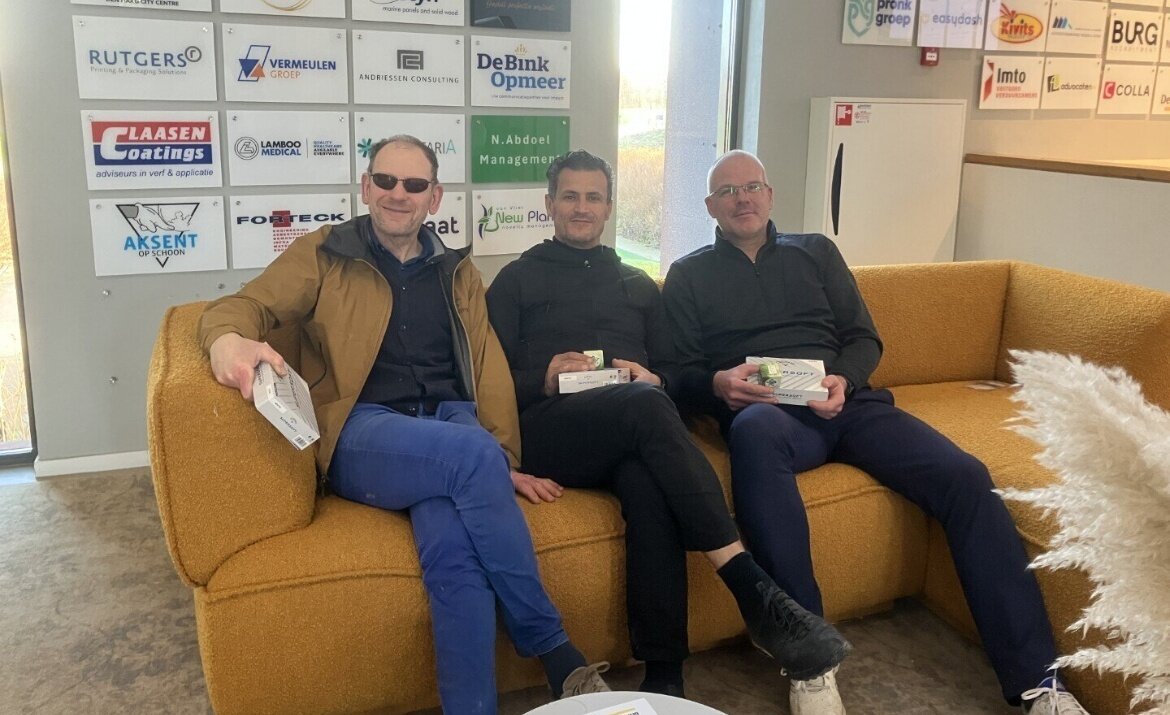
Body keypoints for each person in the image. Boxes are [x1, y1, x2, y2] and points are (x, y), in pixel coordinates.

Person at [661, 149, 1091, 715]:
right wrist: (717, 385)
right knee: (754, 432)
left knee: (966, 476)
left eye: (752, 187)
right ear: (709, 206)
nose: (742, 199)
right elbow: (676, 372)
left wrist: (844, 378)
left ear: (770, 195)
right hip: (771, 415)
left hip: (849, 404)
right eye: (727, 191)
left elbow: (864, 337)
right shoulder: (688, 274)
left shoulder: (816, 252)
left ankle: (1040, 681)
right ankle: (810, 657)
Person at [199, 135, 609, 714]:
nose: (399, 194)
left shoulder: (456, 271)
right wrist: (225, 339)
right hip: (365, 430)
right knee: (472, 458)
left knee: (455, 557)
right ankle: (554, 649)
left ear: (433, 197)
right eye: (386, 181)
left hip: (449, 426)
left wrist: (502, 463)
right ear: (366, 187)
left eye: (414, 185)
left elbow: (487, 368)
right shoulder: (326, 252)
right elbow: (240, 306)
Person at [485, 150, 851, 703]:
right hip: (552, 431)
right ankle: (749, 585)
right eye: (570, 196)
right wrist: (542, 377)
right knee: (645, 407)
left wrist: (654, 377)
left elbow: (676, 374)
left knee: (650, 484)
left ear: (609, 207)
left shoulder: (636, 284)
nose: (581, 208)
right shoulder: (514, 281)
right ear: (549, 204)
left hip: (633, 427)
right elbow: (483, 385)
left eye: (593, 197)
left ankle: (664, 676)